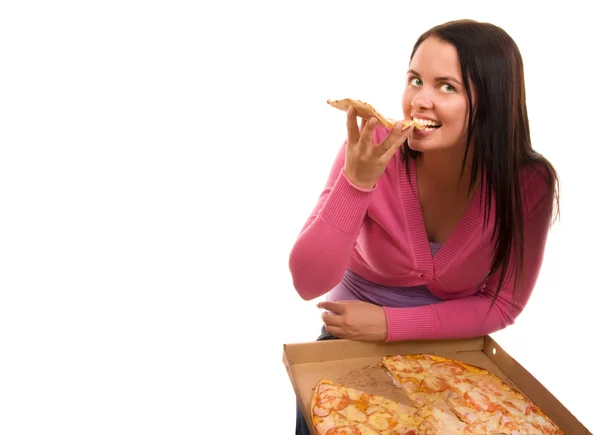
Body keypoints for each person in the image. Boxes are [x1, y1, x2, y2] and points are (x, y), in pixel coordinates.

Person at [288, 18, 560, 434]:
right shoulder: (371, 148)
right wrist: (356, 183)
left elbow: (503, 303)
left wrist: (390, 324)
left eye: (446, 86)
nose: (420, 100)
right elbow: (307, 281)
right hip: (351, 342)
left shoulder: (527, 181)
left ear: (492, 102)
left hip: (455, 349)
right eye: (415, 80)